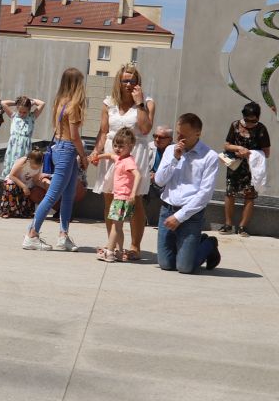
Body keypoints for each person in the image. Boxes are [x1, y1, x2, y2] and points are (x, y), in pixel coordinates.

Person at [87, 65, 156, 257]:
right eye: (125, 80)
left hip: (136, 153)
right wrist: (95, 152)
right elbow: (103, 131)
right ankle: (114, 245)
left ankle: (135, 247)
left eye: (133, 81)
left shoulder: (147, 102)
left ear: (138, 83)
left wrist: (139, 103)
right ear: (118, 81)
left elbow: (145, 129)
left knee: (136, 201)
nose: (128, 84)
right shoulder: (108, 103)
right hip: (112, 152)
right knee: (109, 198)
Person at [23, 68, 89, 252]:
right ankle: (32, 234)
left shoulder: (59, 102)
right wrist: (84, 156)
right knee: (53, 195)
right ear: (76, 84)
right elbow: (75, 136)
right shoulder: (75, 105)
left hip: (60, 147)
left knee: (68, 195)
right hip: (69, 149)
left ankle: (63, 235)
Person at [152, 113, 223, 273]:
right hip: (167, 210)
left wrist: (179, 217)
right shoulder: (171, 150)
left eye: (184, 135)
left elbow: (204, 195)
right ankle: (186, 248)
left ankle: (208, 244)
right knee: (166, 264)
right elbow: (159, 181)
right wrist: (175, 159)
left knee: (184, 267)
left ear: (197, 134)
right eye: (178, 133)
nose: (179, 138)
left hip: (191, 215)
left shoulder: (209, 157)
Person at [219, 101, 271, 237]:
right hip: (235, 165)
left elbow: (266, 153)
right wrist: (238, 148)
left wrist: (250, 153)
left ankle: (242, 227)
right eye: (247, 119)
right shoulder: (235, 125)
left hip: (251, 168)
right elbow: (226, 145)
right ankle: (228, 224)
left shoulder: (261, 129)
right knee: (230, 193)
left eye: (253, 120)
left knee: (249, 196)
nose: (249, 123)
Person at [99, 128, 145, 262]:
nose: (117, 149)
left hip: (123, 198)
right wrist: (97, 156)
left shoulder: (128, 161)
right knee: (118, 226)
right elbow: (110, 155)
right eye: (115, 145)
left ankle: (109, 251)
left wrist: (133, 193)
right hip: (118, 197)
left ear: (130, 146)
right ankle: (119, 252)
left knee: (116, 226)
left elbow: (137, 175)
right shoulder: (120, 158)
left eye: (121, 146)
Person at [0, 95, 45, 177]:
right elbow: (3, 103)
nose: (22, 114)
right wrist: (17, 102)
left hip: (25, 147)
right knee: (11, 166)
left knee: (23, 167)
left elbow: (42, 103)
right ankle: (9, 182)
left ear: (29, 110)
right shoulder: (14, 116)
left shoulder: (32, 117)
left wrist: (32, 101)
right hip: (13, 147)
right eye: (20, 111)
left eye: (25, 112)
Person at [0, 148, 49, 219]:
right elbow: (12, 175)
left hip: (28, 184)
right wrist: (23, 187)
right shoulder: (23, 161)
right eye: (33, 166)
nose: (35, 168)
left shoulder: (40, 165)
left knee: (31, 193)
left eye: (37, 167)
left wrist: (44, 185)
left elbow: (35, 180)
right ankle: (6, 211)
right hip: (15, 181)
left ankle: (23, 212)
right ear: (29, 160)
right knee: (10, 186)